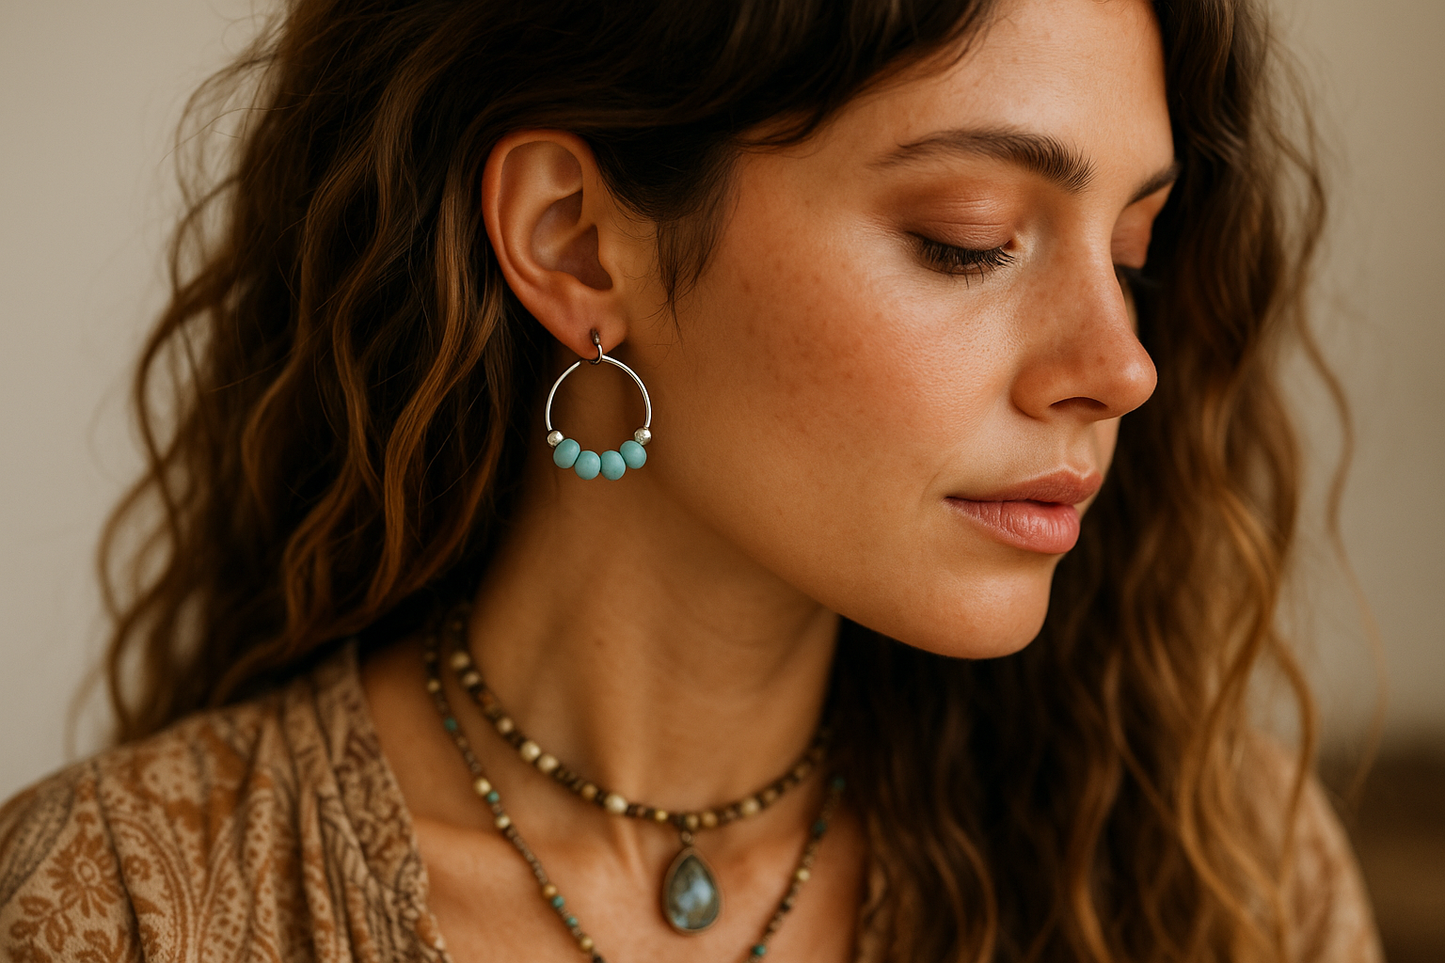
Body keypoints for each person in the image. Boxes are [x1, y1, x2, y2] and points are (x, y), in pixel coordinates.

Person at [0, 0, 1382, 960]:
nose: (1121, 364)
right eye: (972, 239)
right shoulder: (118, 905)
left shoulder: (1225, 872)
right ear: (579, 244)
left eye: (1133, 251)